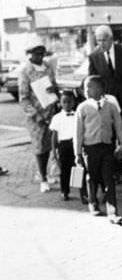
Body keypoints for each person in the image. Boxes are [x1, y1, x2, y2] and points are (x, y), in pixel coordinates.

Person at [74, 76, 122, 224]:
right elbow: (78, 132)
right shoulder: (82, 108)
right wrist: (78, 153)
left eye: (90, 87)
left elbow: (119, 127)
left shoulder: (111, 106)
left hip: (106, 147)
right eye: (85, 87)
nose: (86, 90)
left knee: (108, 178)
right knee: (92, 177)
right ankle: (93, 204)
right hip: (89, 148)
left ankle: (113, 212)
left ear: (100, 89)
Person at [88, 25, 122, 136]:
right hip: (107, 103)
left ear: (111, 39)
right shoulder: (94, 57)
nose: (101, 43)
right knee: (110, 135)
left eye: (104, 40)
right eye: (98, 40)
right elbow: (93, 81)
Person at [19, 38, 58, 193]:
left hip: (51, 110)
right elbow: (24, 97)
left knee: (50, 145)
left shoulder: (47, 66)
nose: (40, 56)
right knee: (39, 147)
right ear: (30, 54)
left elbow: (53, 84)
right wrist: (36, 115)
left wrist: (52, 89)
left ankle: (47, 173)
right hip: (37, 116)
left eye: (42, 53)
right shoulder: (25, 71)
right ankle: (42, 177)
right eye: (37, 53)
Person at [50, 90, 77, 201]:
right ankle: (64, 191)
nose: (67, 104)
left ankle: (82, 191)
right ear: (60, 103)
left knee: (78, 169)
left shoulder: (78, 115)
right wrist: (54, 151)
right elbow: (54, 136)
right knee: (64, 170)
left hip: (75, 144)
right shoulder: (57, 117)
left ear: (73, 102)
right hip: (63, 146)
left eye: (69, 102)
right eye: (64, 102)